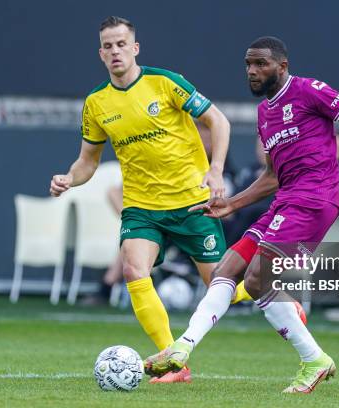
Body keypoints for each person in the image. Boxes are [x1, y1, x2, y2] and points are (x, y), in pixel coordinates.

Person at [145, 36, 339, 394]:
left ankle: (313, 359)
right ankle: (182, 347)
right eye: (248, 64)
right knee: (227, 268)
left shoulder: (308, 90)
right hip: (286, 201)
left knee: (258, 279)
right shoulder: (265, 113)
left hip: (315, 199)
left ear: (282, 66)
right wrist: (233, 203)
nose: (252, 71)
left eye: (260, 63)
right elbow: (273, 177)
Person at [49, 16, 249, 384]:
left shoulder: (165, 82)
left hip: (192, 202)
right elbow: (87, 162)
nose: (115, 51)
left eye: (121, 44)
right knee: (132, 270)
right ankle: (175, 362)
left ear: (135, 47)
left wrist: (216, 169)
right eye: (108, 46)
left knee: (224, 289)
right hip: (142, 207)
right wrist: (68, 178)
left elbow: (219, 121)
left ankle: (274, 297)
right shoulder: (96, 103)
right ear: (100, 54)